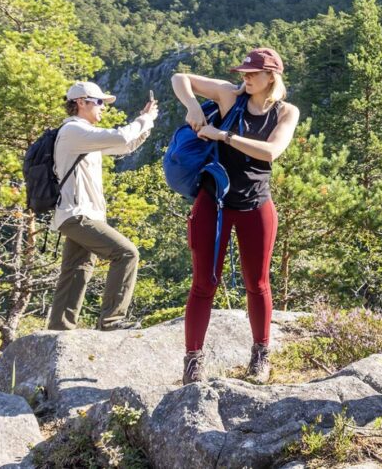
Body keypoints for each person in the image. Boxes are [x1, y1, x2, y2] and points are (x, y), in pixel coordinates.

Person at [171, 47, 299, 384]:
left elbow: (271, 152)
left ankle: (260, 354)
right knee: (203, 284)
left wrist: (223, 135)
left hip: (256, 204)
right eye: (242, 72)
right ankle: (193, 361)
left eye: (252, 74)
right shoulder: (230, 96)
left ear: (272, 76)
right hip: (213, 202)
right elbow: (180, 77)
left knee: (257, 284)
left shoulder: (286, 112)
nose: (244, 78)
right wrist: (194, 106)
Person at [48, 81, 158, 331]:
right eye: (99, 102)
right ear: (80, 103)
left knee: (77, 268)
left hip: (78, 214)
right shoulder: (74, 131)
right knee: (126, 253)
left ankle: (59, 329)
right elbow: (120, 136)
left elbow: (125, 145)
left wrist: (146, 122)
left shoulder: (82, 135)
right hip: (79, 214)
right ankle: (111, 320)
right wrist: (144, 119)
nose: (103, 108)